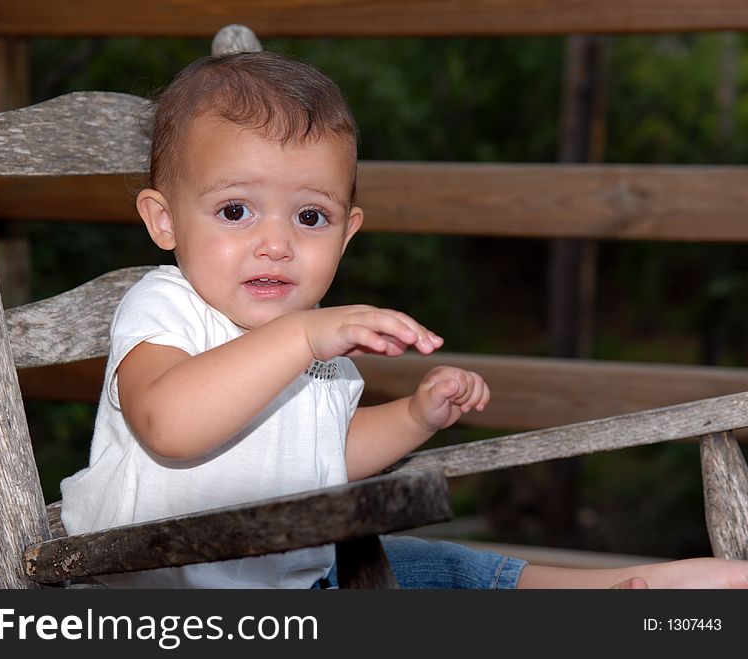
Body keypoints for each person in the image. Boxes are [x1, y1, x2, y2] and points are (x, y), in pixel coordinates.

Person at [60, 50, 748, 589]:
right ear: (163, 219)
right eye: (236, 210)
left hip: (296, 579)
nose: (276, 242)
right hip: (157, 589)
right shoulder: (166, 306)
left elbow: (328, 455)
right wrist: (299, 337)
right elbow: (169, 425)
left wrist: (417, 416)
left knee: (444, 568)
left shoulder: (315, 341)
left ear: (347, 231)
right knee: (416, 573)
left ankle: (635, 588)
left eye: (310, 216)